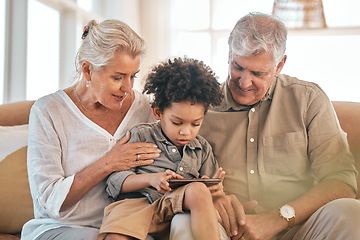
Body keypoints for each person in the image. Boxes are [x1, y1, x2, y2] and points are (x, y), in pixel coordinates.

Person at [170, 12, 360, 240]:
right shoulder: (200, 108)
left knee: (351, 212)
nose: (244, 82)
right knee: (183, 222)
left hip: (298, 226)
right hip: (225, 230)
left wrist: (278, 218)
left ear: (280, 65)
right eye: (238, 67)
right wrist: (209, 197)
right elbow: (170, 175)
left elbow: (342, 181)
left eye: (258, 73)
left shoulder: (309, 99)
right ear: (229, 55)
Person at [21, 19, 161, 240]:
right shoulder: (48, 111)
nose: (128, 87)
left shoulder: (143, 108)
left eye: (132, 76)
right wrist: (108, 163)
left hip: (124, 227)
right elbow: (49, 199)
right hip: (59, 228)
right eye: (118, 77)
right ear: (87, 70)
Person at [97, 57, 226, 240]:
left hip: (178, 208)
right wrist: (151, 179)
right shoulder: (142, 136)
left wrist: (215, 187)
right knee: (115, 237)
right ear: (158, 112)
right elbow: (115, 182)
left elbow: (208, 189)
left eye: (195, 124)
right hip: (138, 206)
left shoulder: (201, 148)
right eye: (177, 122)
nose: (186, 132)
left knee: (198, 190)